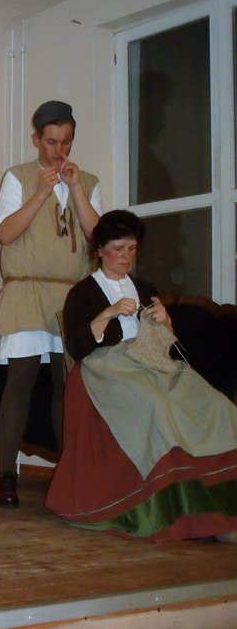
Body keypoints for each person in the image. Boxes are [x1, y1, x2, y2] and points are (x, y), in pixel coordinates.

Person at [46, 210, 237, 542]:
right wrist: (108, 313)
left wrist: (166, 321)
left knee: (216, 405)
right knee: (159, 408)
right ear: (100, 250)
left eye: (132, 249)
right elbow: (79, 347)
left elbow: (168, 347)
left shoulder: (145, 288)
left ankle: (225, 511)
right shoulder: (83, 293)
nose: (126, 256)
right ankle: (185, 515)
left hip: (152, 362)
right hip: (108, 366)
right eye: (118, 249)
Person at [0, 101, 100, 507]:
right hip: (27, 291)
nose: (59, 150)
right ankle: (6, 473)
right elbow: (5, 233)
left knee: (65, 384)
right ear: (36, 139)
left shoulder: (88, 182)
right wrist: (41, 192)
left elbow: (98, 239)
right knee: (21, 378)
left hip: (71, 296)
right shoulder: (17, 177)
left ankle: (67, 473)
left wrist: (77, 190)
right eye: (51, 142)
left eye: (66, 142)